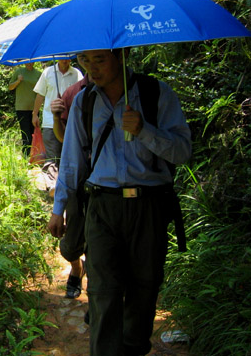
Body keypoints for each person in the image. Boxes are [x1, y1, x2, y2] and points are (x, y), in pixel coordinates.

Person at [50, 48, 192, 356]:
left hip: (149, 207)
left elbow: (182, 151)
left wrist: (143, 130)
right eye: (84, 61)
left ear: (121, 56)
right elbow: (72, 160)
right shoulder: (85, 102)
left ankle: (133, 348)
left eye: (99, 59)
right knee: (103, 291)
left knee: (145, 286)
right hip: (102, 206)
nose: (91, 69)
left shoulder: (156, 94)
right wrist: (58, 208)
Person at [49, 72, 90, 299]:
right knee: (71, 244)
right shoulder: (74, 93)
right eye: (86, 58)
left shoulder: (127, 95)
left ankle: (97, 296)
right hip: (78, 181)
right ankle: (76, 267)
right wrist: (56, 117)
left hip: (110, 187)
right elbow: (65, 141)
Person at [32, 59, 82, 173]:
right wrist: (35, 114)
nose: (65, 60)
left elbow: (82, 94)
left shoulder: (76, 74)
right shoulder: (47, 72)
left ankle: (65, 184)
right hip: (50, 122)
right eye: (62, 57)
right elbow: (40, 94)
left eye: (67, 57)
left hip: (70, 123)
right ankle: (52, 186)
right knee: (52, 158)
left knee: (69, 157)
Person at [8, 62, 42, 157]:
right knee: (25, 132)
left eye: (31, 62)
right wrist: (18, 81)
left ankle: (35, 154)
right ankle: (26, 155)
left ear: (34, 62)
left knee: (34, 132)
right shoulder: (19, 71)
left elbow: (42, 90)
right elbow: (10, 87)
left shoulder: (38, 74)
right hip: (21, 107)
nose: (29, 64)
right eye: (27, 62)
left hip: (34, 108)